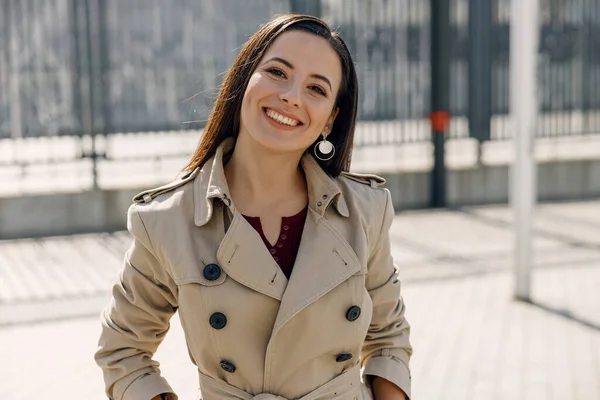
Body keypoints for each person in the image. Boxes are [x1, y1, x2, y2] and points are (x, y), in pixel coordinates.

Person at [95, 14, 412, 400]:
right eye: (278, 72)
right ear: (245, 78)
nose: (292, 96)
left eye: (316, 88)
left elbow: (388, 339)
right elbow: (123, 349)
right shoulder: (168, 219)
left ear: (330, 120)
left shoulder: (365, 210)